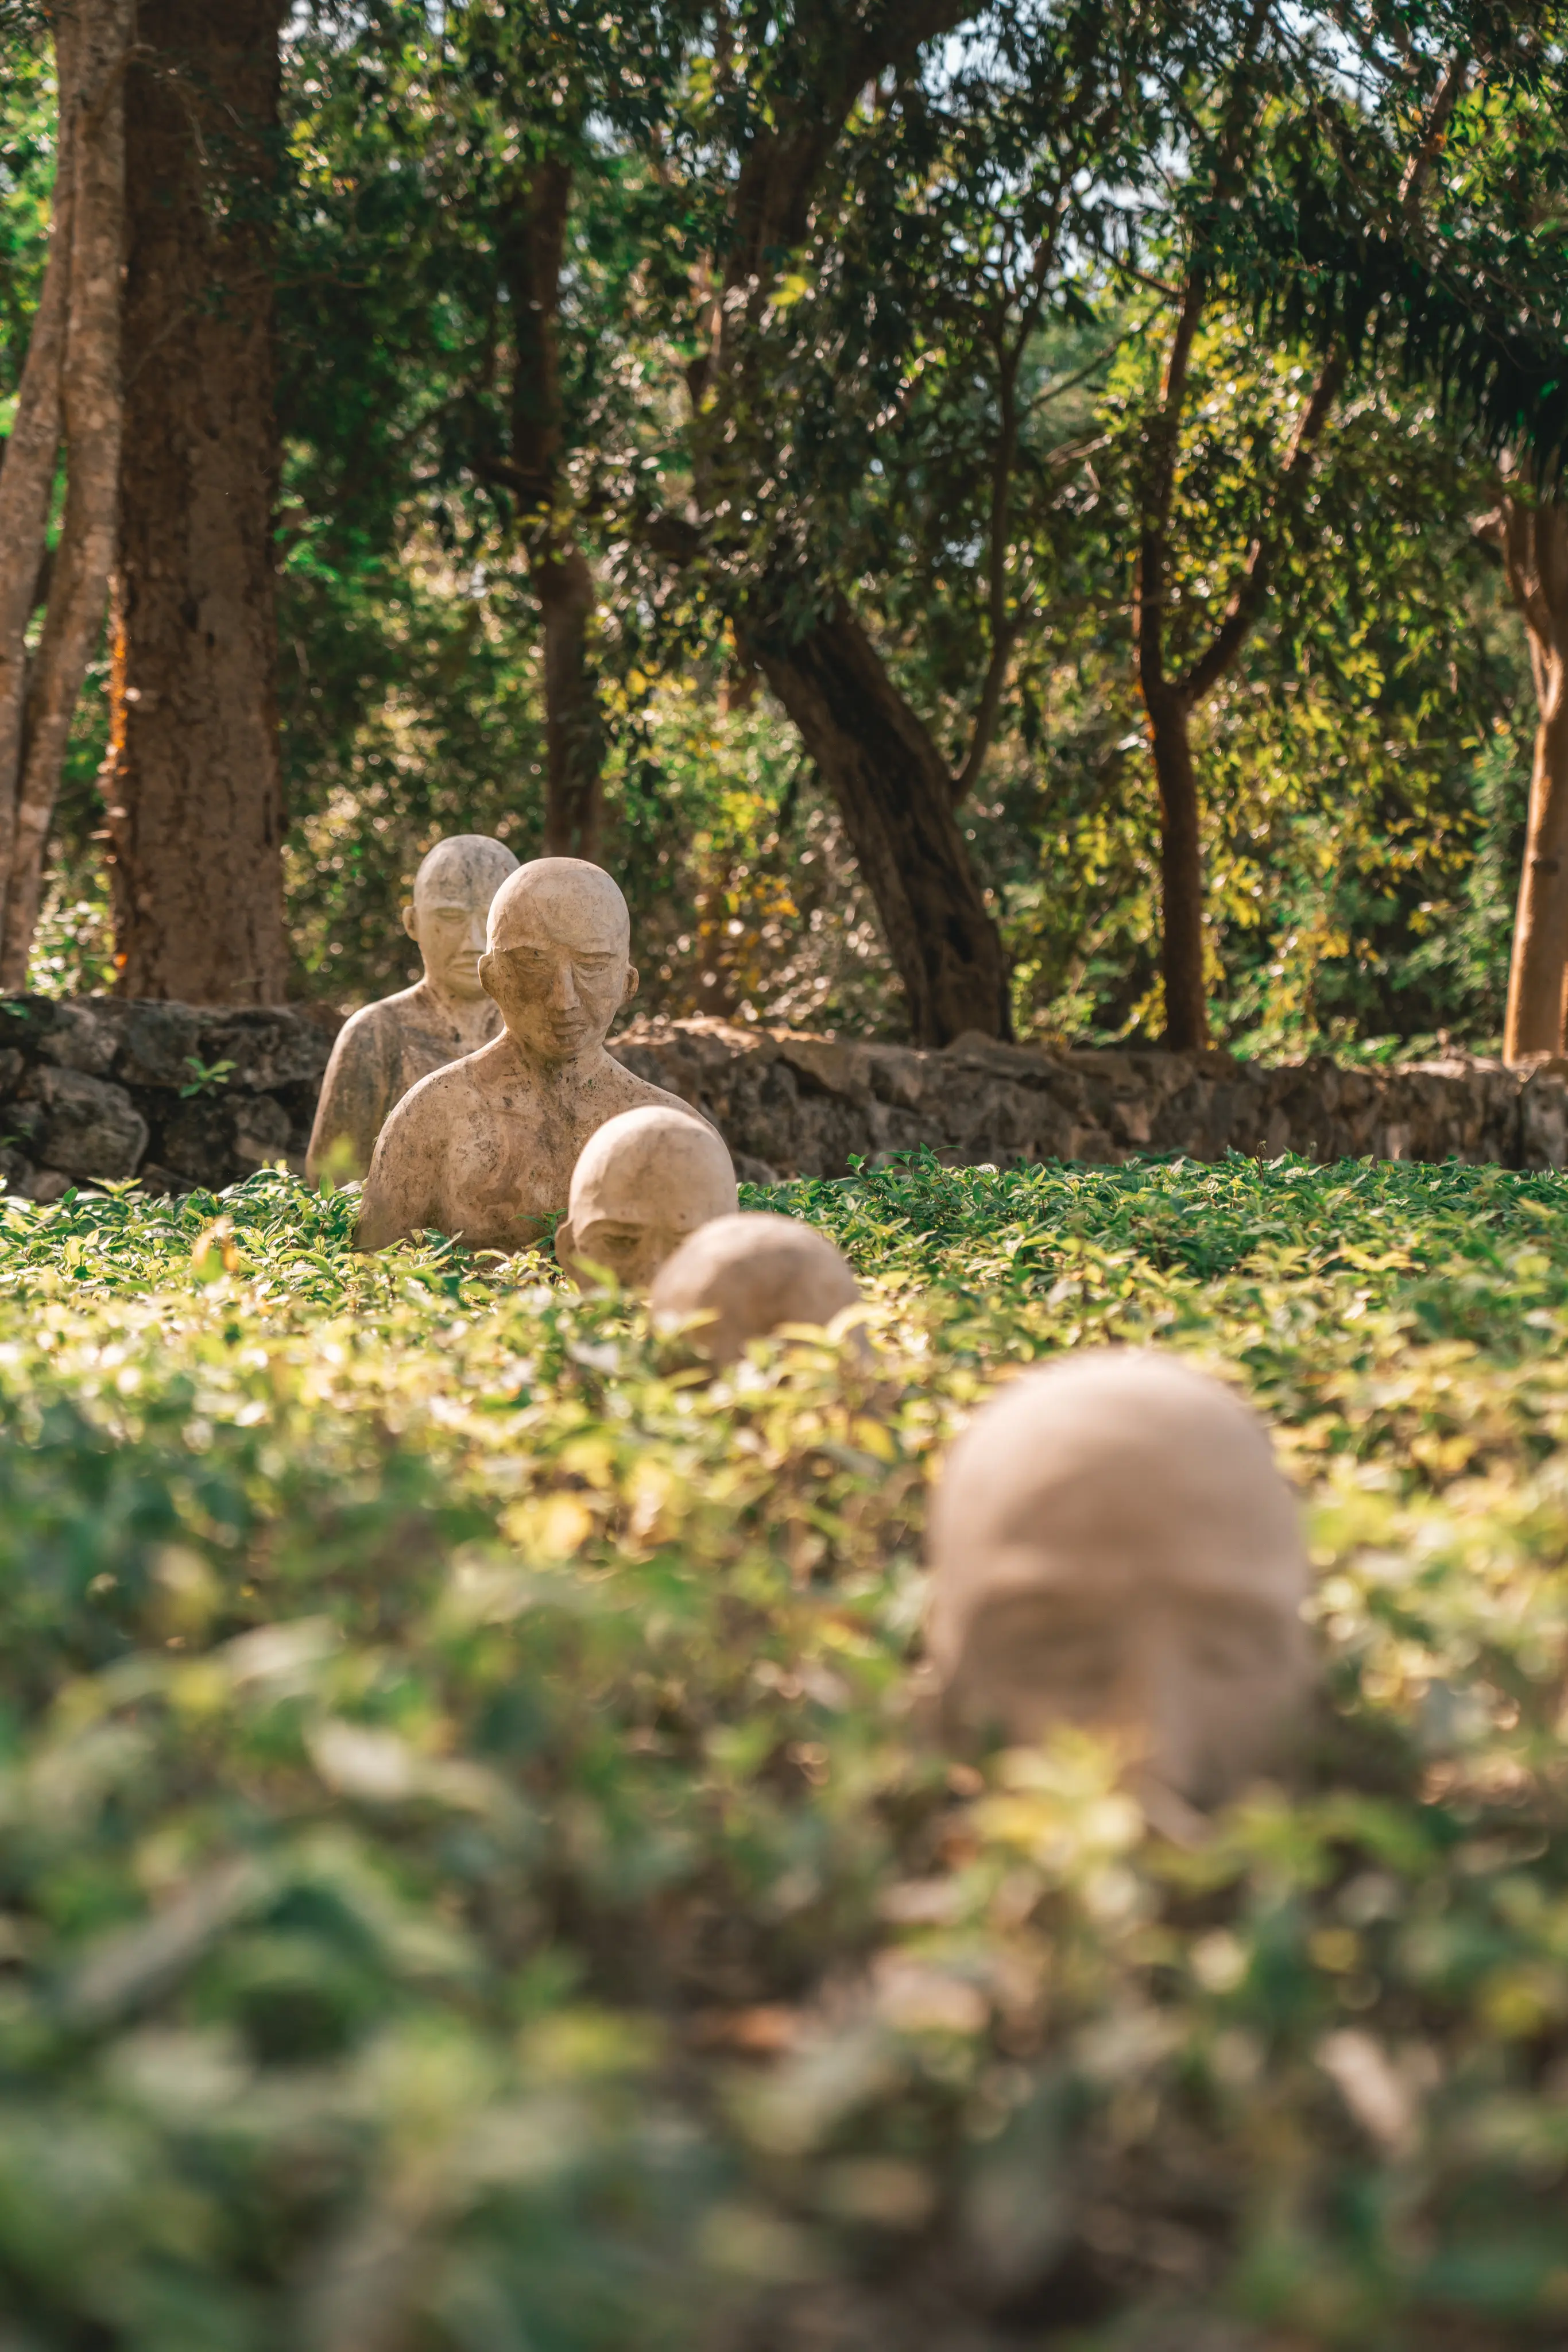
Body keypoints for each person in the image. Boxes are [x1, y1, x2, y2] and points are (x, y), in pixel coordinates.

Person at [356, 856, 700, 1254]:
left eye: (592, 966)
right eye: (533, 963)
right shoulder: (432, 1116)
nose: (563, 999)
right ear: (492, 977)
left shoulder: (674, 1133)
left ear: (627, 982)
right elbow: (370, 1283)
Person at [305, 834, 518, 1183]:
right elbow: (333, 1188)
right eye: (450, 917)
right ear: (412, 923)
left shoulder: (548, 1030)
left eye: (492, 918)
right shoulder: (376, 1034)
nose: (474, 941)